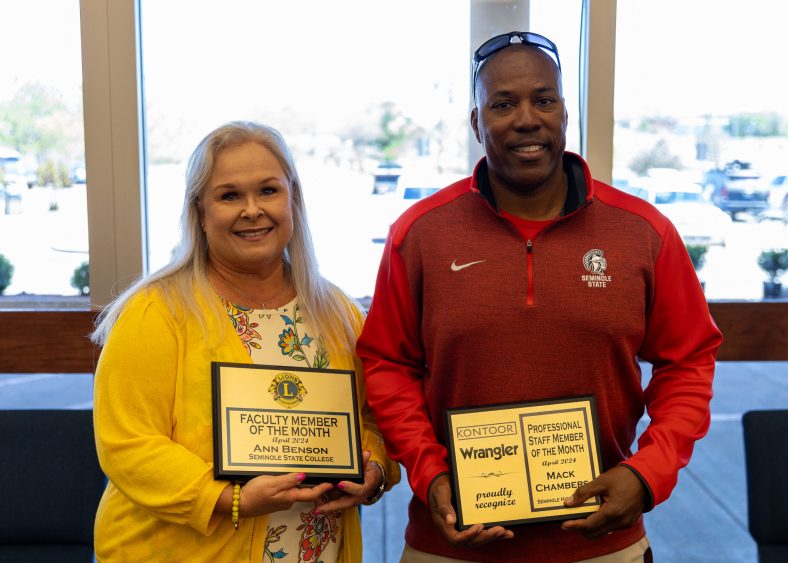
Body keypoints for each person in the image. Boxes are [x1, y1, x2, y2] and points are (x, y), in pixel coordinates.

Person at [357, 31, 722, 562]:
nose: (526, 119)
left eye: (543, 99)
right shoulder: (419, 234)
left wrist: (647, 474)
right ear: (477, 123)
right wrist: (429, 471)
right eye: (503, 104)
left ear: (564, 113)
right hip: (451, 543)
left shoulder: (644, 232)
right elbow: (387, 364)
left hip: (603, 546)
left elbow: (689, 361)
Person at [91, 121, 399, 562]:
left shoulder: (338, 313)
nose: (252, 210)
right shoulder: (156, 311)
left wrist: (375, 469)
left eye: (268, 191)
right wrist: (227, 499)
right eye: (229, 195)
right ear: (200, 211)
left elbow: (373, 419)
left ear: (293, 198)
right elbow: (128, 444)